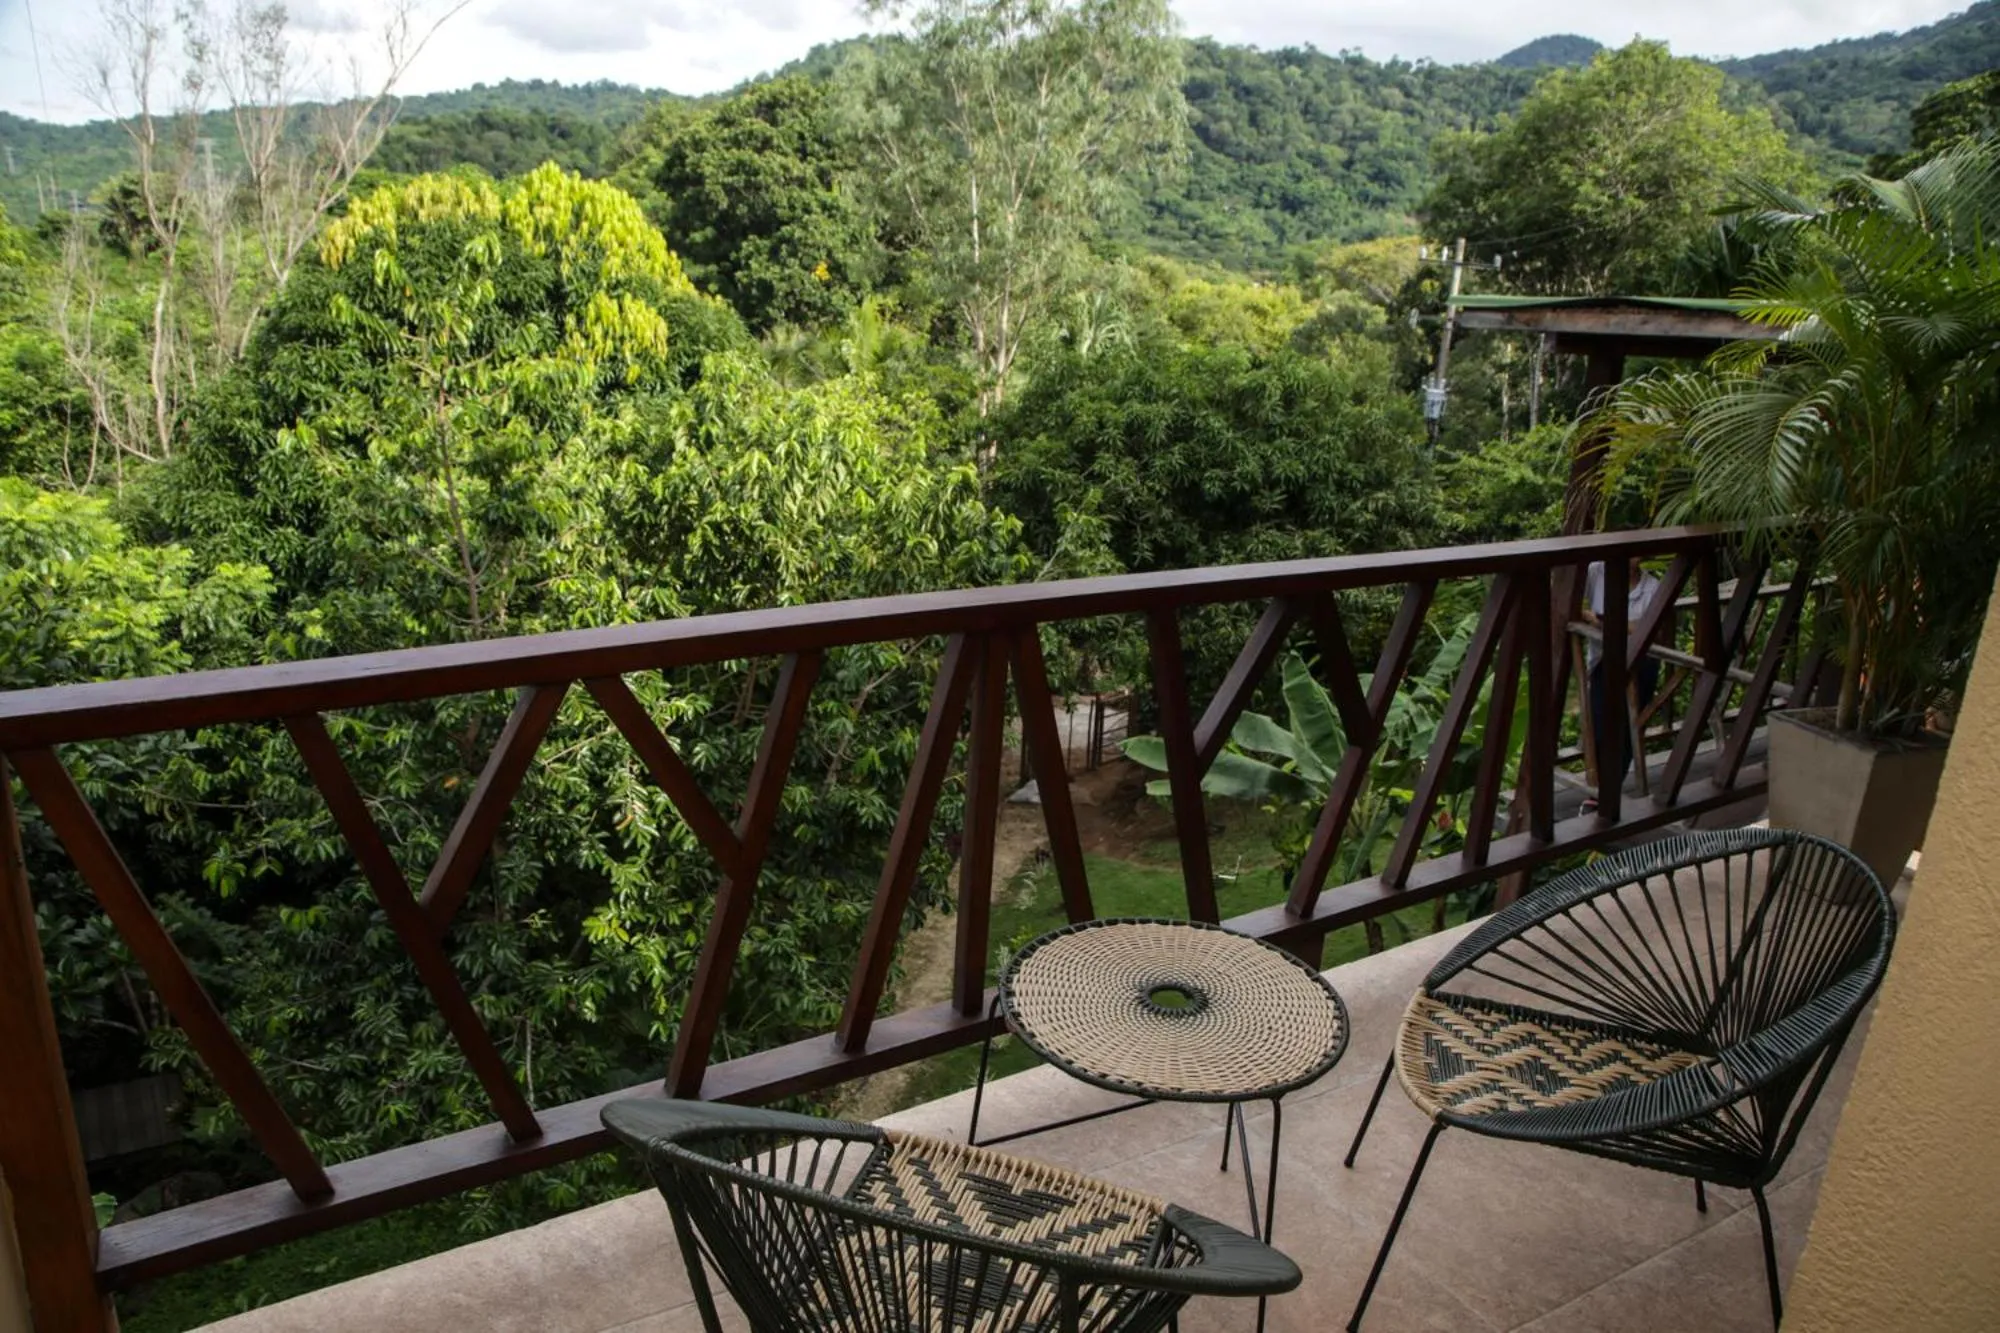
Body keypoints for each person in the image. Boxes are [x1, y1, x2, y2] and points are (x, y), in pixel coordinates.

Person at [1579, 555, 1664, 813]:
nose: (1630, 558)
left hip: (1641, 662)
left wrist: (1600, 621)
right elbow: (1568, 597)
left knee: (1630, 725)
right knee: (1600, 723)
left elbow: (1649, 628)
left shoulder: (1652, 587)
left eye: (1637, 552)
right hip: (1604, 661)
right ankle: (1600, 789)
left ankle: (1608, 790)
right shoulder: (1596, 570)